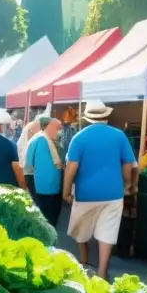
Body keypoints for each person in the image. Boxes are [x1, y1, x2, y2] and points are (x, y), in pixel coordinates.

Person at [62, 100, 139, 280]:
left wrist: (65, 191)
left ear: (87, 118)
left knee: (81, 229)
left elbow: (71, 168)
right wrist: (128, 184)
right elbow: (129, 165)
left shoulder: (79, 138)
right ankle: (102, 271)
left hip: (85, 194)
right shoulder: (119, 136)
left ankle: (84, 261)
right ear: (106, 116)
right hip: (113, 194)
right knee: (107, 232)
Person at [26, 117, 65, 226]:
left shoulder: (49, 140)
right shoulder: (40, 140)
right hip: (45, 188)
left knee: (50, 214)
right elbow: (31, 163)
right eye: (57, 129)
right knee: (48, 215)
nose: (59, 132)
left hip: (51, 187)